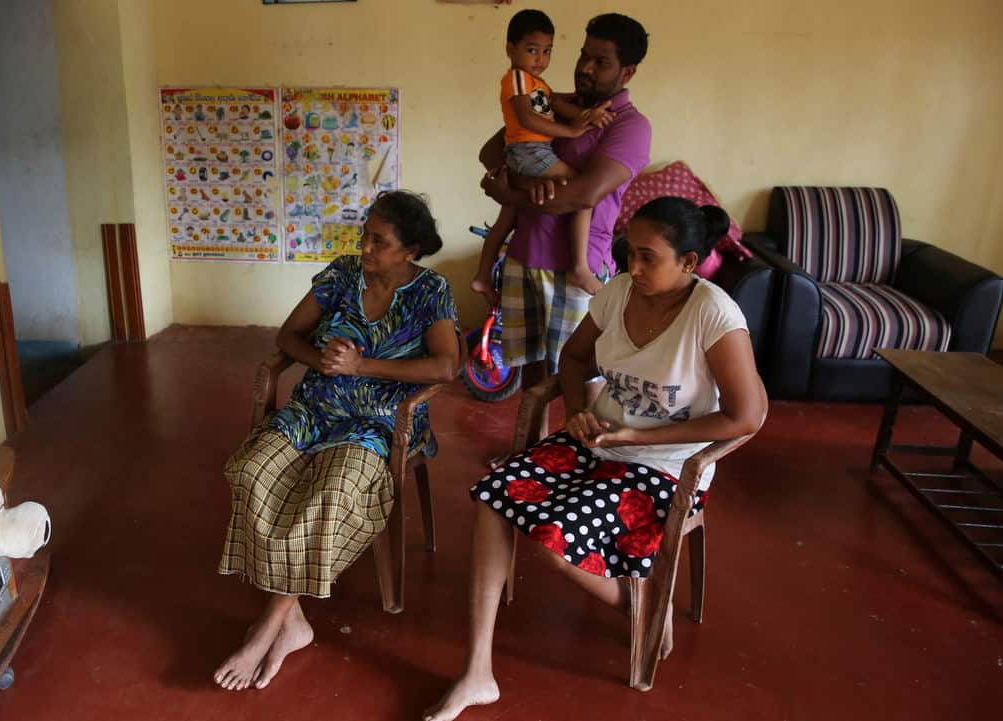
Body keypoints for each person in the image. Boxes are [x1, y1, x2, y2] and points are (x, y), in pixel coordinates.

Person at [424, 198, 768, 721]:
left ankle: (641, 604)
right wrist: (582, 413)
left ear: (690, 263)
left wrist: (638, 438)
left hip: (664, 466)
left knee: (550, 533)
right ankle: (477, 673)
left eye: (649, 258)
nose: (633, 268)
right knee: (495, 497)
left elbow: (747, 416)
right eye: (631, 253)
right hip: (600, 441)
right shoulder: (618, 293)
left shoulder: (713, 314)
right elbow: (576, 357)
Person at [214, 190, 461, 692]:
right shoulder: (342, 274)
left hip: (376, 423)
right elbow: (288, 336)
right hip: (315, 409)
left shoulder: (431, 290)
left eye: (379, 241)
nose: (365, 248)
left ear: (410, 250)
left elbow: (446, 366)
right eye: (364, 235)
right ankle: (295, 623)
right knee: (251, 469)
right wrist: (319, 359)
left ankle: (268, 628)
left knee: (329, 493)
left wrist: (362, 366)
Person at [473, 12, 653, 400]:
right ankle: (527, 454)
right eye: (583, 55)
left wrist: (512, 196)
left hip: (578, 271)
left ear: (628, 72)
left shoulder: (630, 126)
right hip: (525, 257)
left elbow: (582, 195)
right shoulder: (554, 104)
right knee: (533, 381)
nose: (586, 68)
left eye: (601, 62)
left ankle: (584, 461)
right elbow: (492, 152)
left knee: (582, 380)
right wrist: (519, 178)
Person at [475, 8, 613, 301]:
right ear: (510, 50)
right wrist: (574, 131)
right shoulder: (516, 79)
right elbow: (527, 119)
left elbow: (560, 109)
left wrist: (589, 116)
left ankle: (482, 277)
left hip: (526, 152)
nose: (540, 59)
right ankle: (579, 265)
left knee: (506, 219)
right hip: (528, 150)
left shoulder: (538, 85)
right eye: (532, 50)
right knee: (580, 190)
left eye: (547, 51)